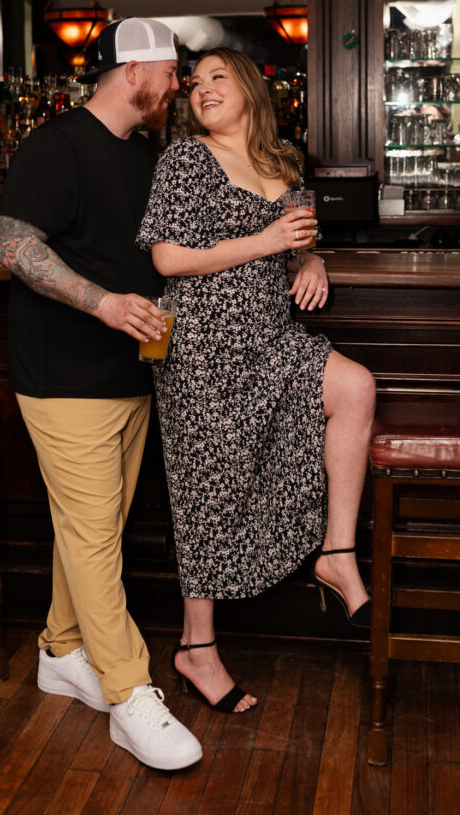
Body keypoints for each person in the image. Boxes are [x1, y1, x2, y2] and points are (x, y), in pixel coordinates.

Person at [136, 48, 377, 714]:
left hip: (272, 340)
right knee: (206, 494)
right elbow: (167, 256)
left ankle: (336, 552)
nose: (200, 89)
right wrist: (272, 243)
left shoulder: (282, 164)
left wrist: (313, 259)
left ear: (248, 88)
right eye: (193, 82)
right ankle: (197, 649)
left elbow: (294, 240)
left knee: (354, 388)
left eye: (217, 77)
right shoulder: (185, 159)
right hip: (204, 351)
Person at [0, 17, 202, 771]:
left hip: (130, 371)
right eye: (170, 69)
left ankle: (60, 650)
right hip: (62, 372)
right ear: (131, 70)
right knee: (91, 533)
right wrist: (103, 303)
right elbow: (12, 245)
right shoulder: (56, 144)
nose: (177, 82)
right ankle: (127, 692)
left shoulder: (144, 153)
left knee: (97, 528)